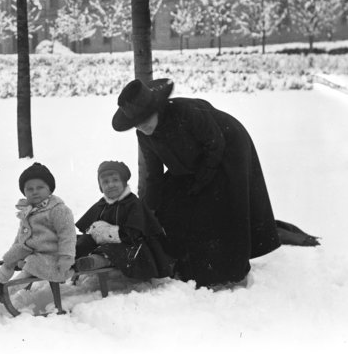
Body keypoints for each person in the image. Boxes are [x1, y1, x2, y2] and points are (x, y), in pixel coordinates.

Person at [112, 78, 281, 288]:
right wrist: (148, 209)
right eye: (136, 122)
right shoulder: (144, 135)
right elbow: (154, 174)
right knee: (172, 202)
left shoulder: (185, 112)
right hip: (194, 159)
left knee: (217, 205)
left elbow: (215, 143)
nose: (142, 125)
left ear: (157, 108)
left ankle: (229, 271)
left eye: (145, 118)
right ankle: (184, 263)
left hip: (228, 147)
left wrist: (201, 182)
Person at [0, 163, 76, 300]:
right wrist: (14, 250)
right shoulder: (28, 210)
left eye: (40, 187)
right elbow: (21, 234)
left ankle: (6, 292)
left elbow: (67, 235)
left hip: (52, 256)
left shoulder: (59, 210)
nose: (35, 192)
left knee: (31, 263)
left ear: (50, 189)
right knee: (11, 258)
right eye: (29, 189)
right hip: (31, 251)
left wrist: (66, 257)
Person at [74, 161, 174, 281]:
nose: (111, 185)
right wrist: (93, 233)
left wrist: (106, 233)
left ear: (124, 182)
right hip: (104, 242)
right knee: (83, 240)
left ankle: (96, 261)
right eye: (105, 182)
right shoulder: (102, 205)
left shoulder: (133, 203)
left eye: (115, 180)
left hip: (129, 243)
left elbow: (133, 232)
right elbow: (89, 227)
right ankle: (69, 256)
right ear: (101, 186)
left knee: (114, 250)